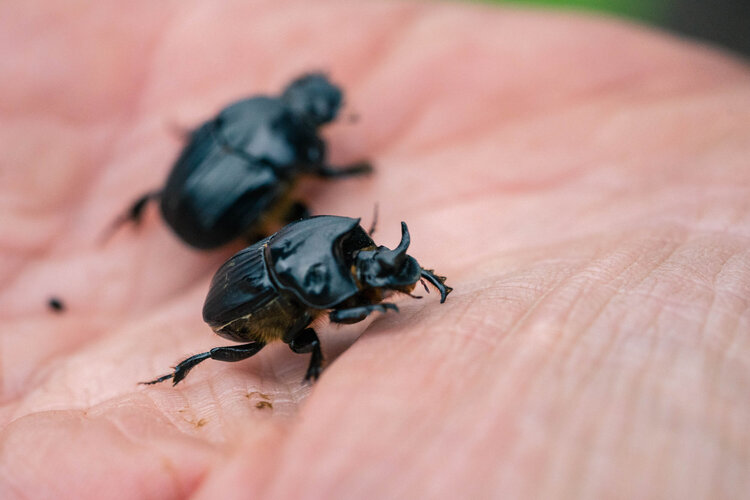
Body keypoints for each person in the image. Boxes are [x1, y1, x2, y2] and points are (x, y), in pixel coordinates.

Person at [0, 1, 748, 498]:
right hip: (231, 280)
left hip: (222, 226)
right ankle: (185, 369)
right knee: (259, 336)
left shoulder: (273, 145)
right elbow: (317, 250)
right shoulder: (287, 179)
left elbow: (318, 243)